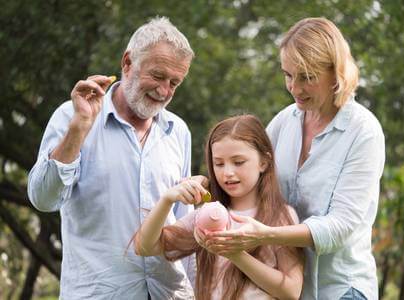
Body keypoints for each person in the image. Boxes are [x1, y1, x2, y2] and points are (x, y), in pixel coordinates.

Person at [204, 17, 385, 300]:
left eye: (307, 77)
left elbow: (341, 227)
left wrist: (265, 235)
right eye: (288, 75)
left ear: (336, 73)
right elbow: (247, 176)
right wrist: (202, 188)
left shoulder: (363, 131)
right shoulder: (284, 122)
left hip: (340, 289)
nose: (294, 88)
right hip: (288, 290)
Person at [27, 17, 197, 299]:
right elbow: (43, 199)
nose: (165, 91)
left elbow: (183, 223)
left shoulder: (178, 131)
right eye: (157, 76)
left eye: (174, 83)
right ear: (128, 62)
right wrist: (80, 127)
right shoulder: (72, 116)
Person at [134, 114, 304, 300]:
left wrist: (235, 255)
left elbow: (291, 291)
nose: (227, 173)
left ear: (264, 162)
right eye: (219, 163)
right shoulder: (207, 216)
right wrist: (167, 199)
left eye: (238, 162)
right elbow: (145, 248)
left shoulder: (280, 216)